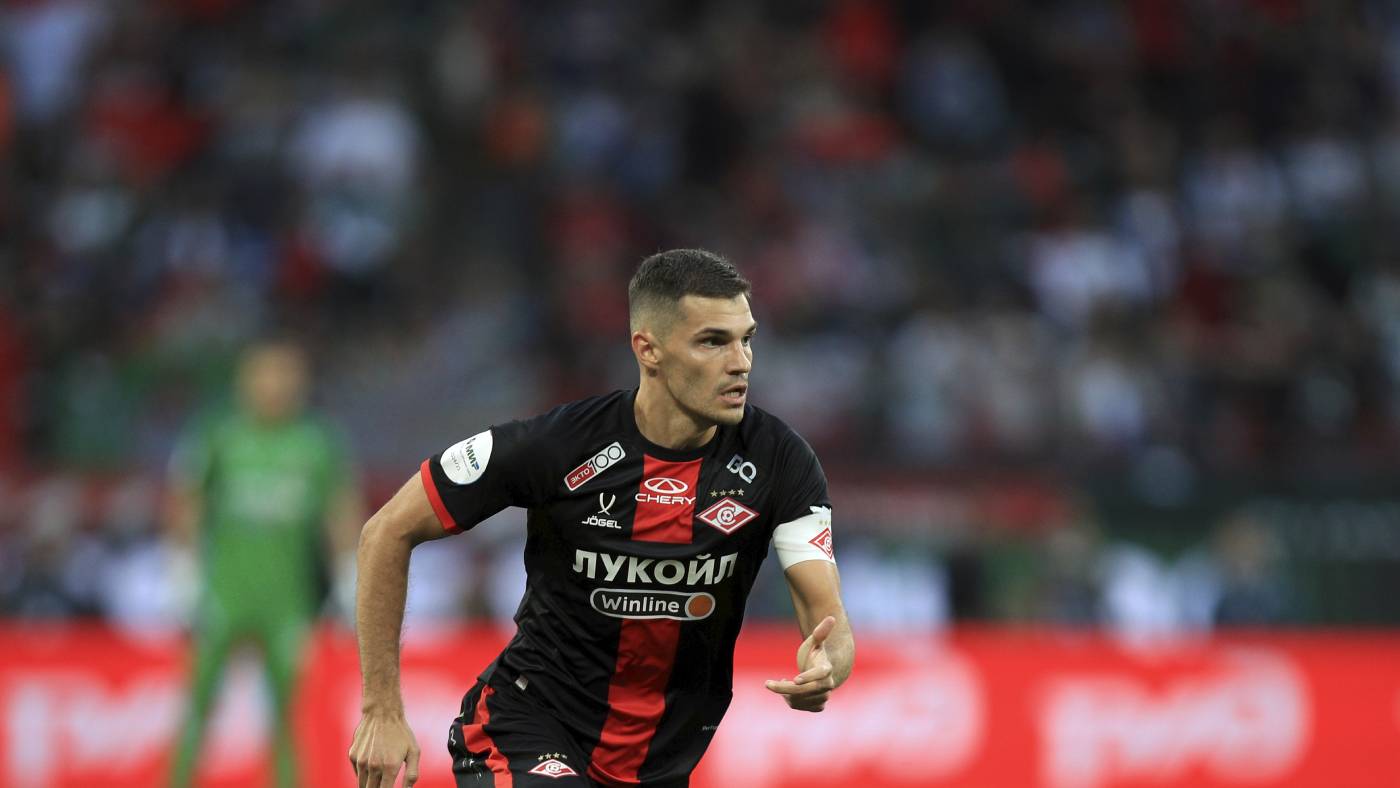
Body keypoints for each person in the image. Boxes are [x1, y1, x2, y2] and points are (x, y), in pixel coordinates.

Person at [350, 249, 855, 787]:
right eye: (713, 341)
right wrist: (381, 708)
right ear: (648, 349)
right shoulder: (559, 445)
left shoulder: (780, 461)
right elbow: (386, 531)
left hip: (660, 764)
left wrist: (828, 665)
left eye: (746, 339)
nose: (741, 362)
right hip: (526, 728)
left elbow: (829, 622)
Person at [166, 339, 363, 788]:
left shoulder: (317, 442)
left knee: (289, 716)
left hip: (289, 600)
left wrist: (348, 573)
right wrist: (181, 566)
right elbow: (186, 497)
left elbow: (340, 509)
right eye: (265, 374)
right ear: (244, 380)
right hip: (222, 593)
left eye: (285, 374)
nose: (274, 385)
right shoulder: (218, 434)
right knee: (197, 705)